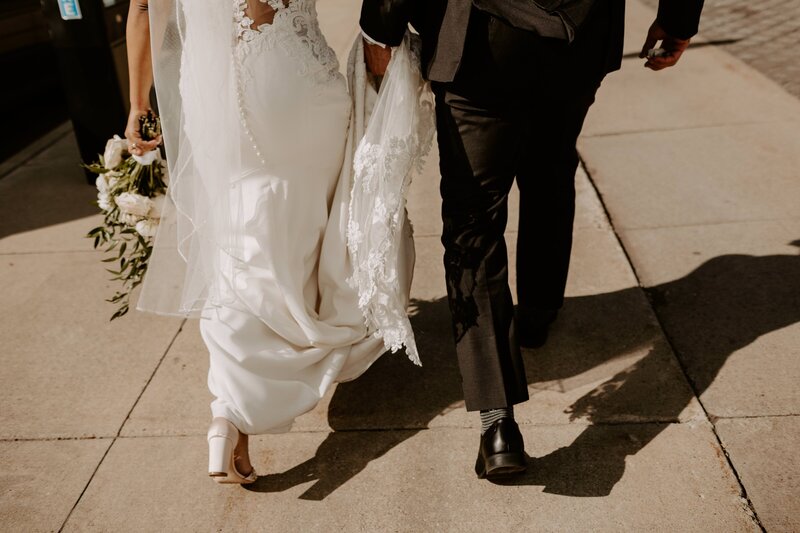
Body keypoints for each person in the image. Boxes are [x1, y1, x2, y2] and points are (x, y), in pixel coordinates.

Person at [360, 0, 704, 479]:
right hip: (580, 37)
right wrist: (679, 18)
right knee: (551, 167)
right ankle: (539, 313)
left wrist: (382, 25)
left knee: (473, 223)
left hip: (478, 41)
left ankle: (498, 423)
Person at [124, 0, 425, 484]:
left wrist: (140, 105)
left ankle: (230, 413)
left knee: (242, 238)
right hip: (292, 72)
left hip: (212, 88)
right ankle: (318, 328)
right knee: (313, 220)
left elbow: (143, 8)